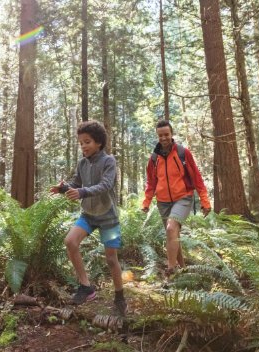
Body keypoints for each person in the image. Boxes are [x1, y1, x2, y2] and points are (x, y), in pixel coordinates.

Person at [51, 120, 126, 316]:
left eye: (87, 142)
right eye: (81, 143)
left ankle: (119, 297)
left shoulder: (109, 161)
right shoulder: (82, 163)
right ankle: (86, 287)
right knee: (70, 241)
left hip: (108, 217)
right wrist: (63, 188)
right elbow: (77, 182)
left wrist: (82, 191)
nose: (83, 146)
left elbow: (106, 185)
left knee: (111, 258)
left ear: (99, 143)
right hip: (88, 215)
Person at [142, 119, 211, 277]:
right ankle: (183, 270)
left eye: (166, 134)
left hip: (183, 198)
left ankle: (171, 269)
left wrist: (205, 201)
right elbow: (151, 183)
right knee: (173, 234)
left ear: (171, 134)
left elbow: (197, 178)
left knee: (171, 228)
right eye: (160, 135)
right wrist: (146, 202)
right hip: (163, 202)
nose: (164, 138)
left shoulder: (182, 153)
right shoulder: (154, 158)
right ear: (157, 136)